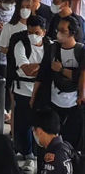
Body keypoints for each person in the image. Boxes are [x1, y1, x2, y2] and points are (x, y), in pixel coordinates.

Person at [32, 17, 85, 149]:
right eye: (58, 30)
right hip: (53, 102)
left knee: (73, 142)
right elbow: (42, 74)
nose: (59, 33)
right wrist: (33, 97)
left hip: (74, 104)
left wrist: (62, 70)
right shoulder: (52, 49)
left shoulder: (81, 51)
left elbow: (81, 76)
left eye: (63, 30)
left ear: (72, 32)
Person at [9, 15, 47, 172]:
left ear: (44, 32)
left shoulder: (50, 46)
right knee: (24, 124)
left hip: (42, 92)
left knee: (41, 124)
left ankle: (39, 154)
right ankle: (28, 154)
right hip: (23, 91)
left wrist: (39, 68)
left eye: (36, 32)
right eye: (30, 32)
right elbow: (27, 70)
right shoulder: (20, 44)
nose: (33, 35)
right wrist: (44, 66)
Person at [32, 108, 78, 174]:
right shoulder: (66, 145)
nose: (34, 133)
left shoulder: (53, 158)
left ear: (39, 131)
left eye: (34, 130)